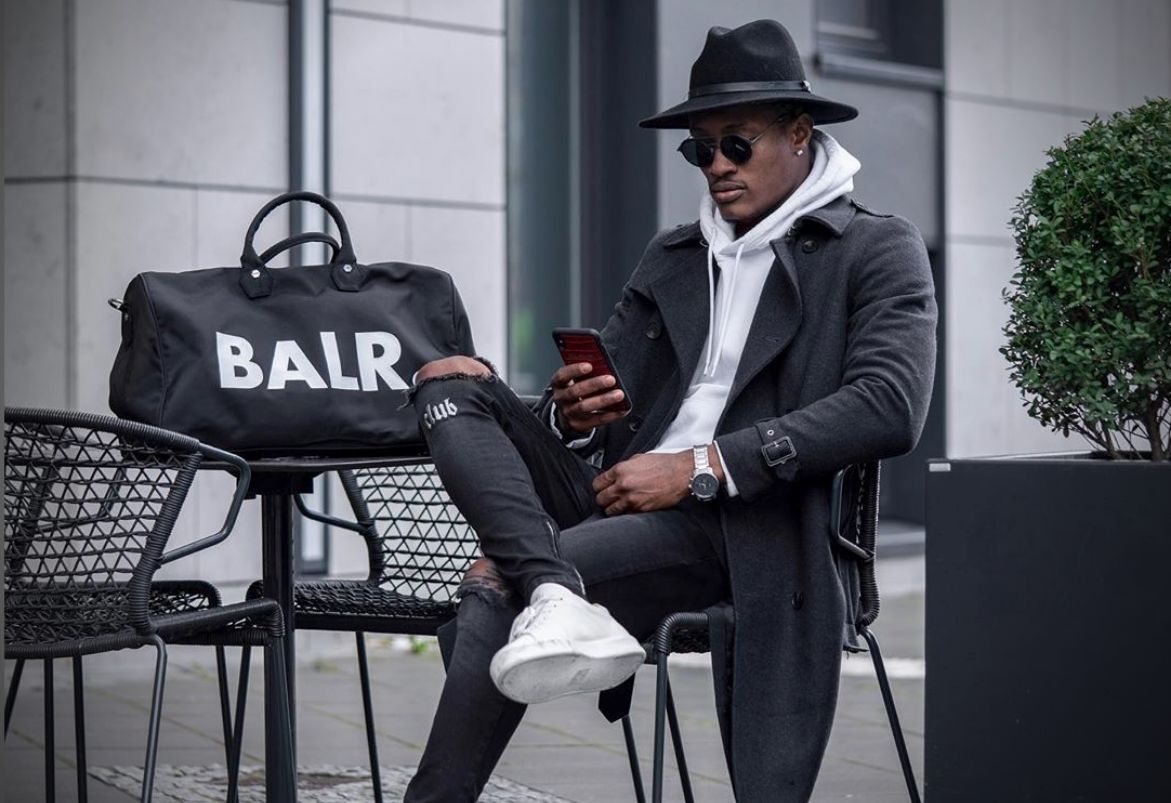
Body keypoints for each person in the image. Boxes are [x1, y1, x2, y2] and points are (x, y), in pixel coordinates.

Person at [402, 18, 937, 802]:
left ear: (797, 133)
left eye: (736, 144)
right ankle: (554, 586)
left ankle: (537, 589)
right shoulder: (675, 254)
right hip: (621, 494)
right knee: (450, 380)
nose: (715, 165)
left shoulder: (873, 250)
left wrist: (701, 468)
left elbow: (890, 406)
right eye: (699, 148)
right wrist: (570, 417)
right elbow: (613, 409)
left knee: (497, 576)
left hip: (749, 526)